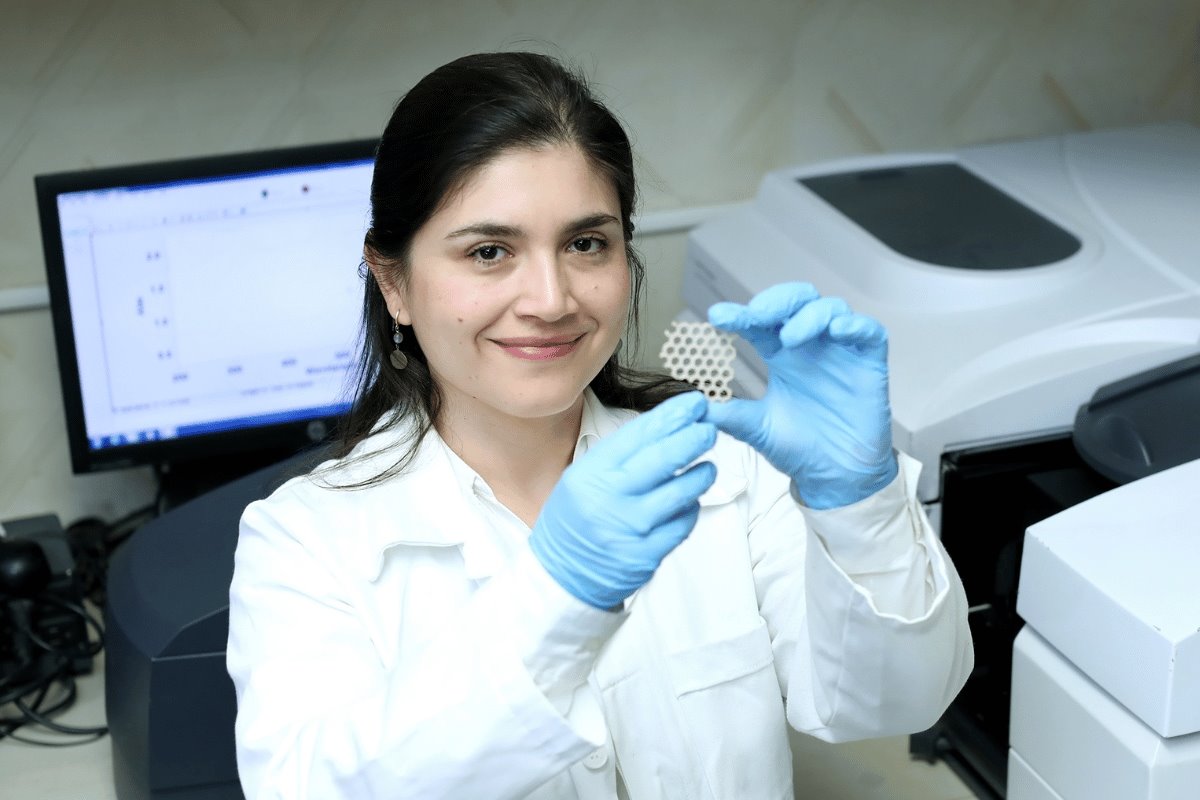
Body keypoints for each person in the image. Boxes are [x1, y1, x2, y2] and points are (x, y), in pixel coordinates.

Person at [226, 51, 973, 800]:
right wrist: (556, 595)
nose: (550, 299)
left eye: (586, 244)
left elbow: (895, 702)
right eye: (490, 252)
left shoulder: (730, 476)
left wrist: (861, 505)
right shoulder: (304, 544)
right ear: (394, 283)